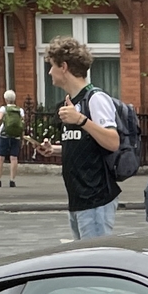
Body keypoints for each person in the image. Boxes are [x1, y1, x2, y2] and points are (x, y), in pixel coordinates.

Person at [45, 38, 121, 240]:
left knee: (96, 264)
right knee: (84, 262)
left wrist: (80, 119)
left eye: (52, 66)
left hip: (95, 198)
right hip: (78, 198)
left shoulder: (95, 98)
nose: (49, 72)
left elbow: (113, 142)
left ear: (64, 67)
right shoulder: (71, 102)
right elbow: (84, 142)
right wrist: (55, 149)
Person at [0, 88, 25, 190]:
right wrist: (22, 137)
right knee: (14, 158)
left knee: (0, 158)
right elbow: (22, 124)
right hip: (16, 136)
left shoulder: (3, 109)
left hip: (4, 135)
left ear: (5, 99)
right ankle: (12, 181)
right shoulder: (20, 110)